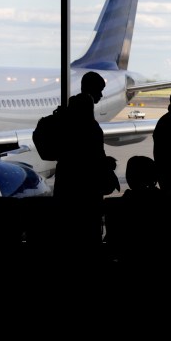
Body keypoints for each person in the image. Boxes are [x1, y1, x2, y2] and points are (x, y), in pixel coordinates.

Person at [54, 71, 120, 244]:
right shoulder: (87, 123)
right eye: (99, 90)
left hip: (66, 184)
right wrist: (105, 164)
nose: (101, 95)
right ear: (92, 90)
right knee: (87, 232)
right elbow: (88, 158)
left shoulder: (68, 115)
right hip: (84, 190)